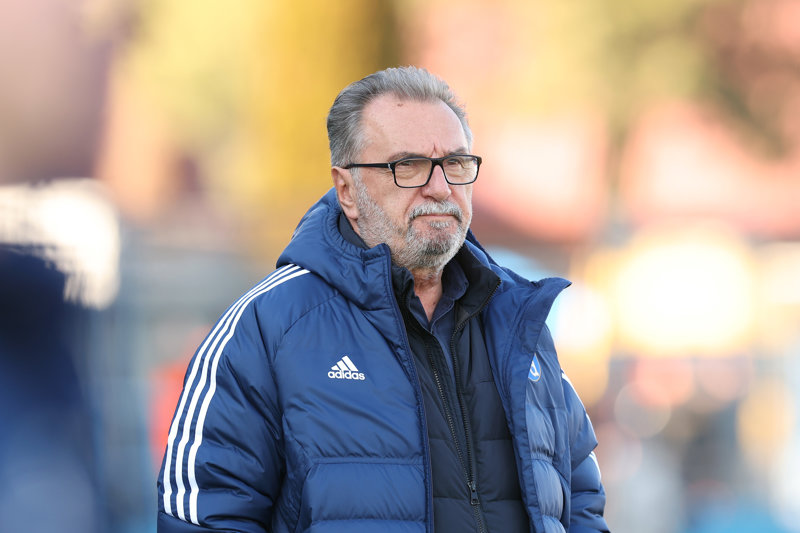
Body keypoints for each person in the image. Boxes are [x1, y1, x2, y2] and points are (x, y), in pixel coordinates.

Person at [157, 66, 608, 533]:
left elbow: (580, 500)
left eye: (455, 163)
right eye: (407, 165)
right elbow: (206, 517)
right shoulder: (265, 330)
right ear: (347, 190)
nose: (440, 187)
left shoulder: (519, 326)